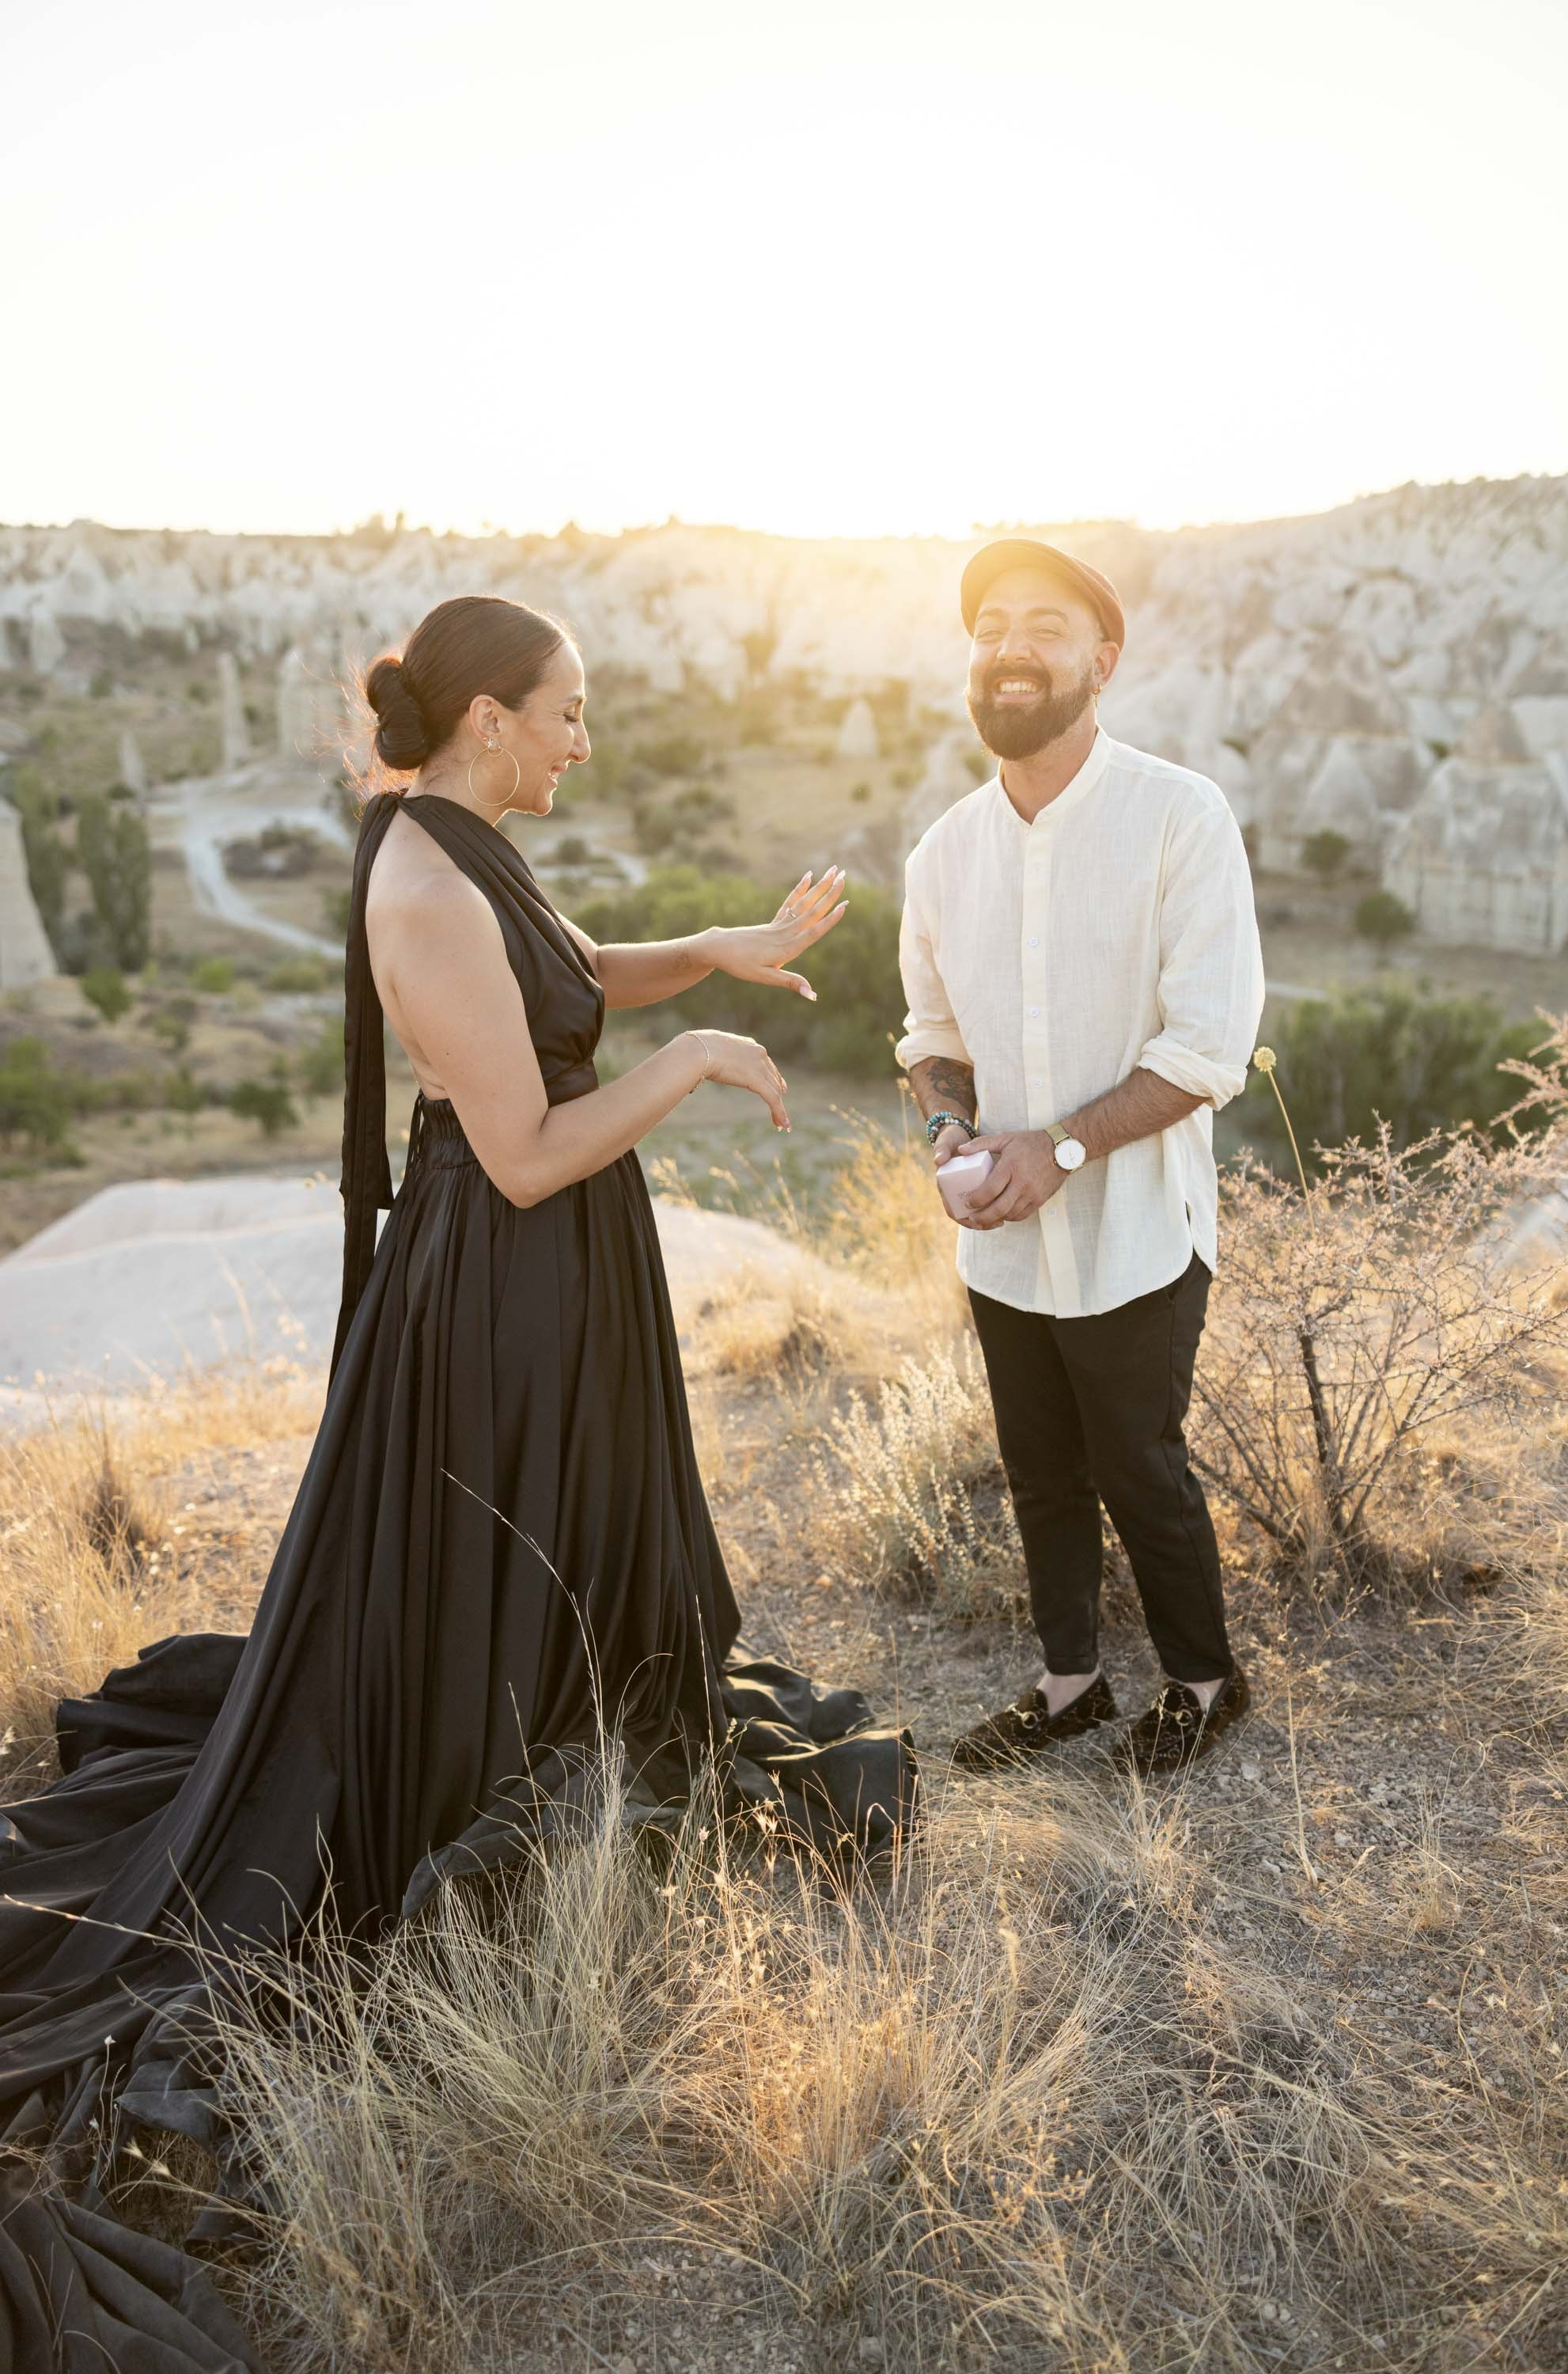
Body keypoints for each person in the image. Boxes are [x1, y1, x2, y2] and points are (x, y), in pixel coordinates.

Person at [0, 595, 915, 2370]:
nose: (584, 739)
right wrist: (701, 1064)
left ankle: (555, 1733)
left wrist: (716, 951)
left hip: (553, 1284)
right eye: (568, 711)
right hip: (503, 1287)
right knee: (496, 1572)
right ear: (491, 717)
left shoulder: (467, 842)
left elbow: (562, 981)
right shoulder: (419, 885)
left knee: (565, 1564)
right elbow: (523, 1147)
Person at [897, 540, 1264, 1777]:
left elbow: (1209, 1044)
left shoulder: (1178, 815)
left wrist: (1059, 1148)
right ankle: (1069, 1688)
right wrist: (951, 1134)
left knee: (1138, 1467)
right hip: (1003, 1237)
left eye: (1043, 626)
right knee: (1038, 1471)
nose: (1010, 646)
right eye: (990, 624)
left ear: (1100, 661)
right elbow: (929, 1040)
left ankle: (1206, 1685)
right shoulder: (943, 850)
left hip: (1137, 1227)